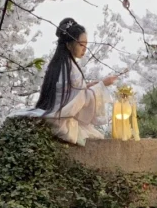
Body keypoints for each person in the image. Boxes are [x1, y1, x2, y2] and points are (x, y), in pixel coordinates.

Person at [35, 17, 119, 146]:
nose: (85, 48)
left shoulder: (59, 65)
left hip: (54, 116)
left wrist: (90, 86)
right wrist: (102, 85)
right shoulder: (70, 68)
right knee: (96, 138)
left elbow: (73, 92)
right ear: (69, 45)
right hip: (62, 122)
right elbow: (78, 101)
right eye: (81, 44)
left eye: (86, 45)